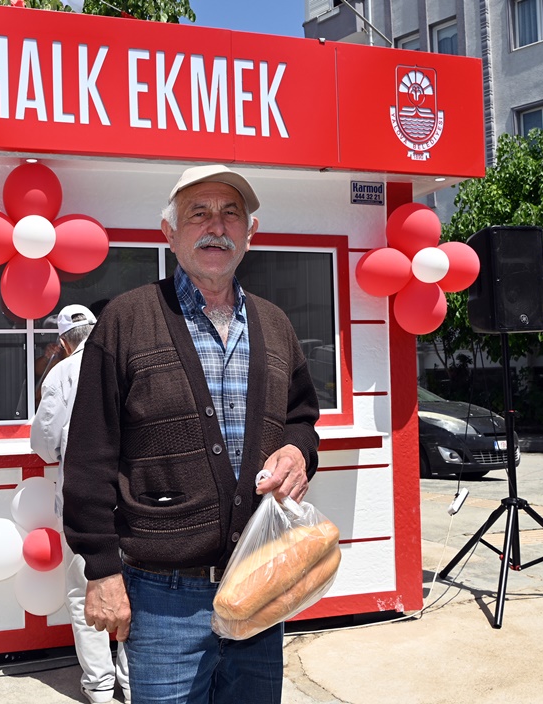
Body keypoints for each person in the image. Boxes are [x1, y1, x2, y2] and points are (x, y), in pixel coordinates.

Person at [61, 165, 320, 703]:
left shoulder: (275, 325)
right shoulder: (125, 321)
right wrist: (101, 570)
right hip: (163, 597)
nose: (215, 227)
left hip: (259, 582)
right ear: (169, 233)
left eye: (230, 214)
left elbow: (301, 418)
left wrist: (298, 451)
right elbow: (89, 456)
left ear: (250, 233)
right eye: (198, 214)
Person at [30, 304, 131, 704]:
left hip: (81, 502)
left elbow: (43, 446)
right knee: (138, 589)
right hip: (132, 499)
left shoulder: (61, 373)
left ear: (63, 342)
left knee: (82, 591)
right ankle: (134, 683)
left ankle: (100, 685)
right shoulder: (124, 363)